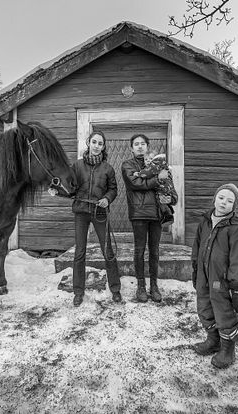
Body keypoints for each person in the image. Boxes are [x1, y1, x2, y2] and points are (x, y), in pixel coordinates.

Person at [191, 183, 238, 369]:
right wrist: (195, 270)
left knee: (223, 312)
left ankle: (227, 349)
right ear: (215, 199)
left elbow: (237, 260)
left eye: (230, 201)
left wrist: (235, 286)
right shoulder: (206, 221)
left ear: (234, 206)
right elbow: (197, 247)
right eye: (221, 198)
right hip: (203, 275)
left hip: (222, 280)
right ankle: (213, 340)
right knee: (205, 308)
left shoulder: (236, 229)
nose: (224, 202)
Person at [68, 131, 122, 306]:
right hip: (81, 212)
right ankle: (78, 291)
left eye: (100, 143)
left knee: (108, 251)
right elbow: (69, 186)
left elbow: (113, 189)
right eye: (94, 142)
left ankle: (115, 289)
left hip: (99, 212)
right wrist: (58, 189)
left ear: (103, 146)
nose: (97, 146)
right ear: (88, 143)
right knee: (80, 252)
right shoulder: (77, 166)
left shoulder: (108, 168)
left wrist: (107, 198)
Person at [121, 134, 177, 303]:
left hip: (157, 214)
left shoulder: (161, 165)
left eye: (142, 144)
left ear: (147, 146)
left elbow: (172, 192)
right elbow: (135, 184)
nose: (139, 146)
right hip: (138, 213)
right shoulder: (128, 165)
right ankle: (140, 286)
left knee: (155, 250)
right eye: (136, 144)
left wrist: (171, 199)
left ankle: (154, 285)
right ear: (131, 148)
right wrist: (157, 178)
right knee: (139, 250)